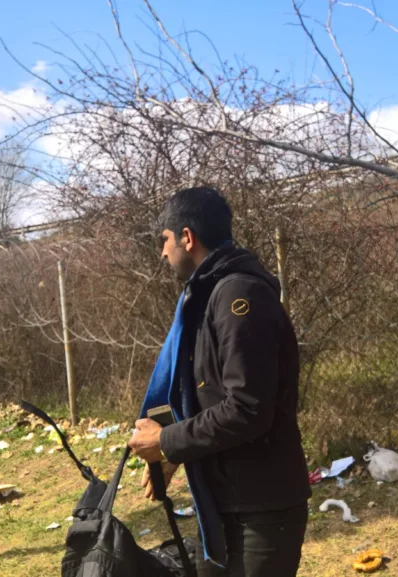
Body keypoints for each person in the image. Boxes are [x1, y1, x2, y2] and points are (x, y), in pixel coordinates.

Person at [127, 186, 311, 576]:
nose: (162, 253)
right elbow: (211, 399)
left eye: (164, 241)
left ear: (187, 238)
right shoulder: (209, 297)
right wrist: (178, 452)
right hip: (222, 501)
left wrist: (166, 442)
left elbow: (247, 409)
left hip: (261, 509)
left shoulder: (239, 296)